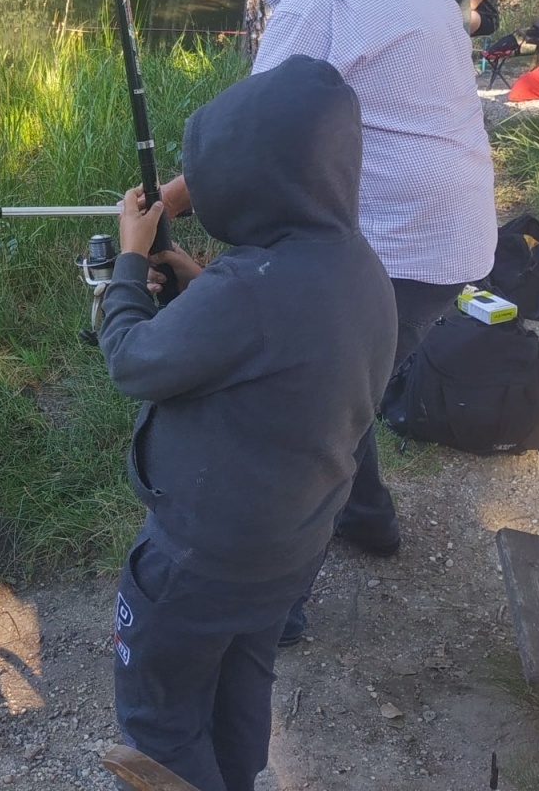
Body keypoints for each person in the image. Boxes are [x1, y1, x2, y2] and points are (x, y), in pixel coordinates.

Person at [154, 0, 496, 645]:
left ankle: (277, 604)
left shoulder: (321, 0)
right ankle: (368, 518)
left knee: (304, 415)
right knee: (348, 389)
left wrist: (158, 206)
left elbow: (254, 142)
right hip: (449, 229)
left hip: (401, 242)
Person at [103, 55, 397, 791]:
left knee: (161, 721)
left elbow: (133, 361)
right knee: (242, 685)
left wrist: (130, 266)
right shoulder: (361, 266)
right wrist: (199, 280)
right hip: (290, 548)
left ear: (252, 183)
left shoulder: (246, 293)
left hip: (198, 560)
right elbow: (283, 339)